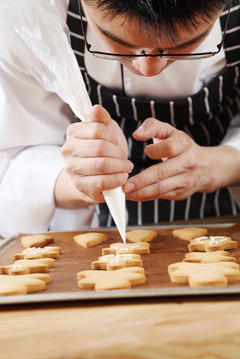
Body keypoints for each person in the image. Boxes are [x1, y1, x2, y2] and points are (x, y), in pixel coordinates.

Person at [1, 0, 240, 238]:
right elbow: (11, 161)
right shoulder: (29, 14)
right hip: (90, 231)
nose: (149, 70)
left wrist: (217, 165)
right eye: (118, 41)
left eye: (184, 45)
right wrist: (79, 179)